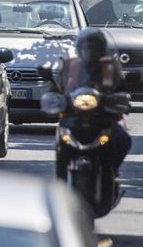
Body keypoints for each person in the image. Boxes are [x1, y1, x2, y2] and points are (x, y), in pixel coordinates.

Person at [48, 27, 131, 178]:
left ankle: (111, 171)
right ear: (80, 49)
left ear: (102, 49)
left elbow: (121, 87)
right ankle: (60, 181)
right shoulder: (70, 65)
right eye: (87, 47)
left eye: (95, 47)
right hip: (74, 116)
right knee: (62, 139)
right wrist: (52, 88)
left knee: (123, 139)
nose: (91, 50)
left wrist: (121, 98)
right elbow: (58, 86)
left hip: (103, 117)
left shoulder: (110, 66)